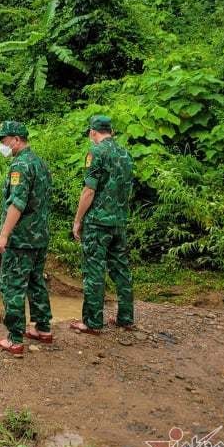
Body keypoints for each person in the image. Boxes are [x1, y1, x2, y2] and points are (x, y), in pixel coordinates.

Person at [0, 121, 54, 357]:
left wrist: (4, 236)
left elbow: (17, 204)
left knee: (12, 285)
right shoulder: (39, 163)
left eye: (4, 140)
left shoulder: (20, 166)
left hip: (21, 238)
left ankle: (14, 339)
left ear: (16, 140)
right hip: (39, 236)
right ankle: (43, 328)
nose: (2, 145)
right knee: (36, 281)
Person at [70, 115, 135, 335]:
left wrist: (78, 220)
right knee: (121, 270)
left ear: (92, 132)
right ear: (112, 132)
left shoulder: (96, 152)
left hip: (98, 223)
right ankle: (126, 318)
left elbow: (89, 190)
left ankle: (92, 322)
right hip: (119, 221)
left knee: (94, 270)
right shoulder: (125, 154)